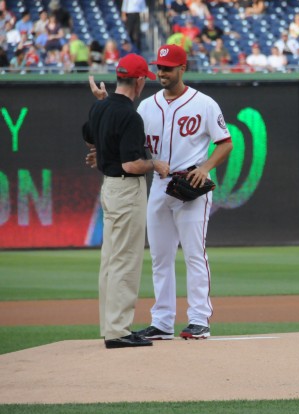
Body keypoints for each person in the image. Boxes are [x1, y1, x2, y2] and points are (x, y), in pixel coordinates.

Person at [91, 45, 234, 341]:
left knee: (195, 254)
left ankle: (199, 319)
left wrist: (205, 168)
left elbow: (225, 143)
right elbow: (127, 142)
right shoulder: (146, 106)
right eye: (159, 67)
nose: (162, 72)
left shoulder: (204, 104)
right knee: (159, 257)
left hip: (190, 187)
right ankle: (163, 321)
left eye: (168, 67)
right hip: (158, 185)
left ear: (183, 68)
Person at [82, 53, 169, 349]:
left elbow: (89, 137)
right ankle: (118, 330)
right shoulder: (131, 116)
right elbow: (133, 165)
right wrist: (154, 163)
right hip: (126, 189)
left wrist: (101, 102)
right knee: (125, 259)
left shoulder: (100, 107)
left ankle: (110, 326)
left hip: (109, 188)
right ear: (140, 80)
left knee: (110, 259)